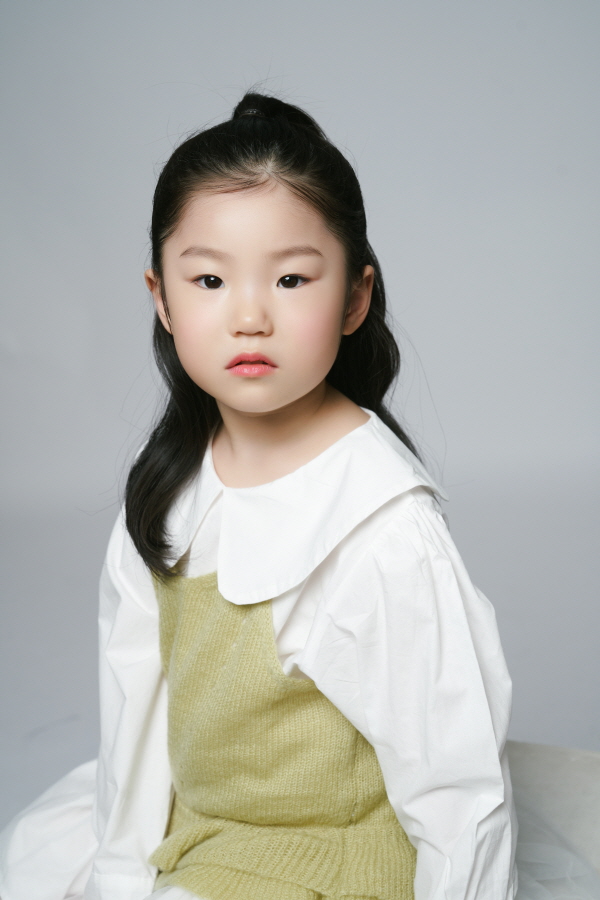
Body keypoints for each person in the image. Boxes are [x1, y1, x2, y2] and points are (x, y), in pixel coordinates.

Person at [1, 92, 598, 900]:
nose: (249, 316)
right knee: (33, 861)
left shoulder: (379, 524)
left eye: (289, 278)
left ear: (353, 297)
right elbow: (135, 693)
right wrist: (118, 871)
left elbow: (456, 784)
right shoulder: (170, 479)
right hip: (206, 818)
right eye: (209, 279)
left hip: (327, 851)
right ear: (161, 298)